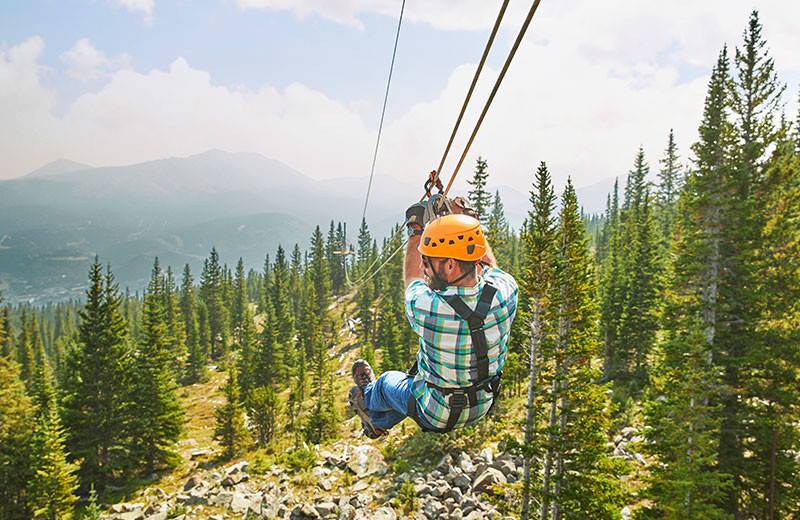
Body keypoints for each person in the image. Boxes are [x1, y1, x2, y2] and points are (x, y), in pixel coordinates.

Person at [348, 200, 518, 437]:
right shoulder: (506, 292)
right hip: (482, 404)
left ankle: (365, 397)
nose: (423, 265)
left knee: (388, 383)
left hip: (436, 412)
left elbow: (413, 280)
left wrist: (416, 229)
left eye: (427, 261)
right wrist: (468, 220)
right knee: (410, 389)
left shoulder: (428, 306)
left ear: (450, 264)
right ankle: (378, 422)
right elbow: (489, 264)